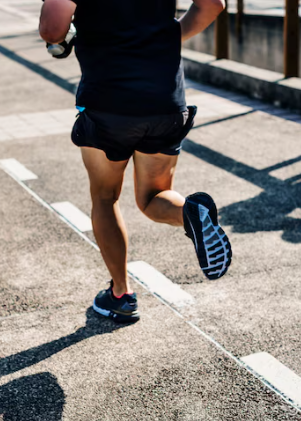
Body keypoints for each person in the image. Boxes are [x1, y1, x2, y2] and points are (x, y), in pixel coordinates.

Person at [39, 0, 232, 323]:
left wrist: (62, 38)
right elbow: (213, 4)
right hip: (165, 101)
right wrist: (168, 37)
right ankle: (189, 213)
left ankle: (121, 295)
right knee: (153, 196)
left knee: (105, 197)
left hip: (108, 102)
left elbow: (52, 27)